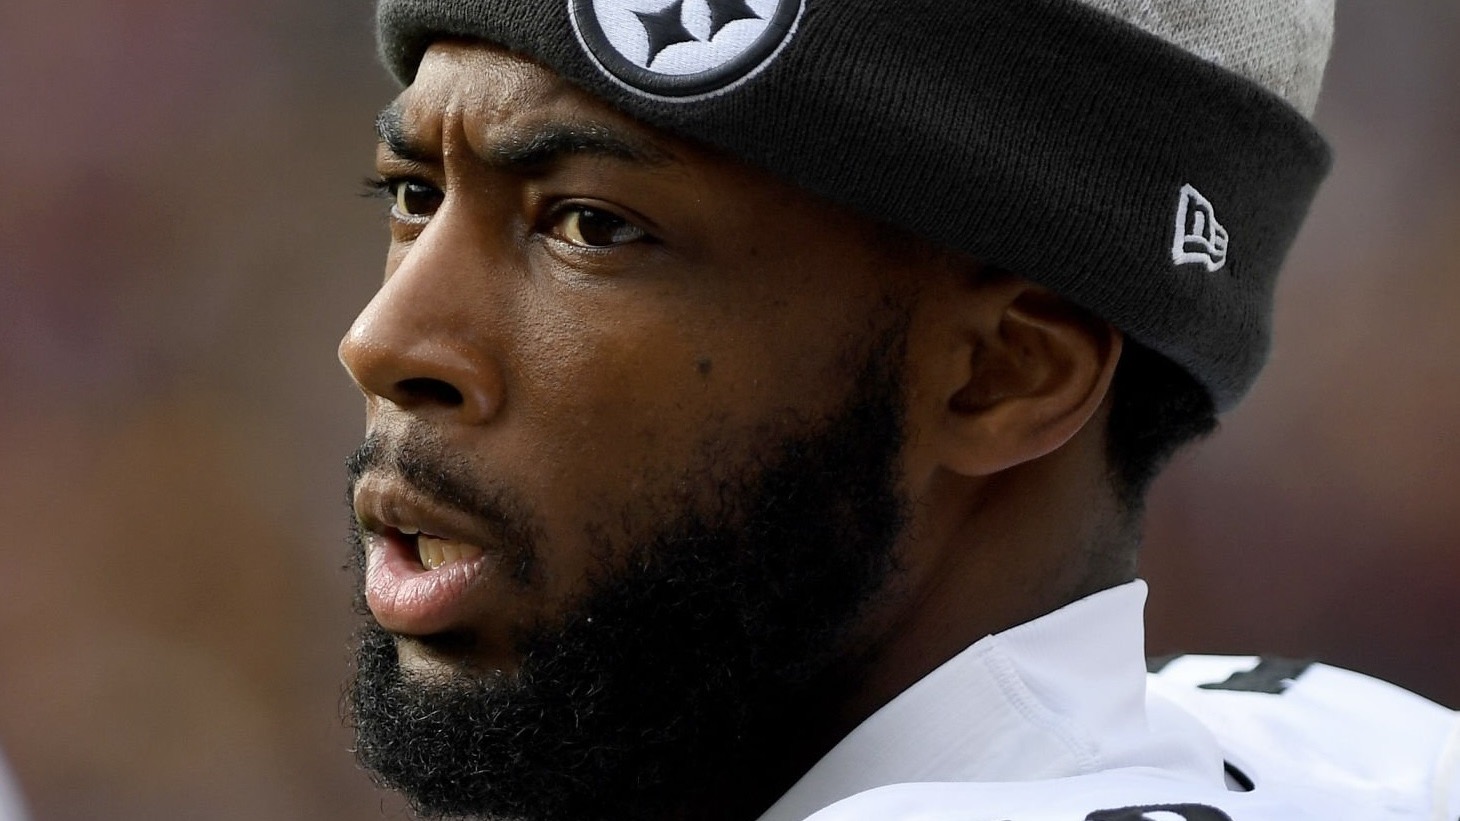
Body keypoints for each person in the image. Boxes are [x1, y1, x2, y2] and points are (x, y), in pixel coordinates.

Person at [337, 1, 1460, 819]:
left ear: (1005, 372)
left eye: (590, 223)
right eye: (414, 194)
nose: (381, 341)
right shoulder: (1370, 756)